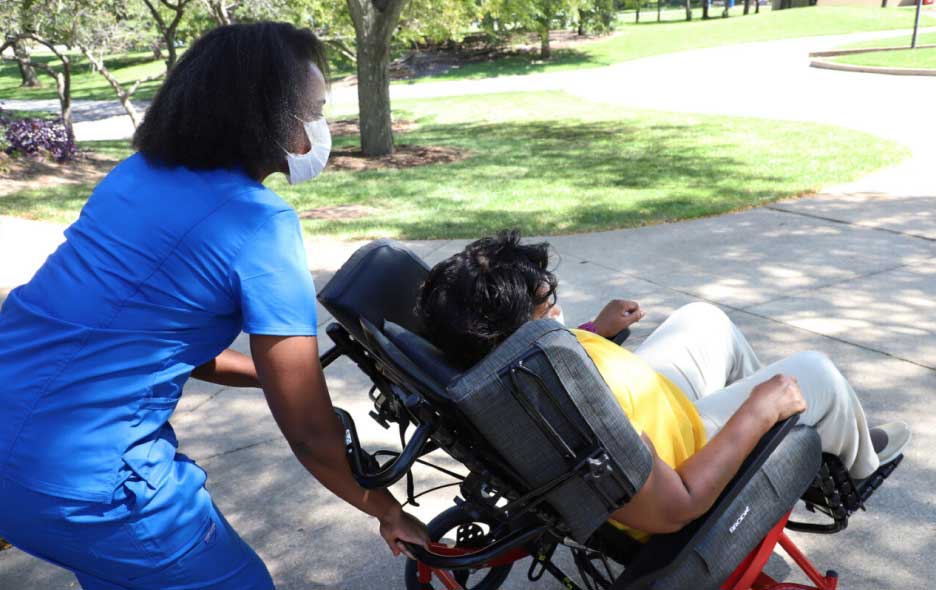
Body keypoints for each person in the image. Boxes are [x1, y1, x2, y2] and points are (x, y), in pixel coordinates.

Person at [0, 22, 426, 590]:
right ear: (263, 114)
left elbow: (145, 335)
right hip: (87, 483)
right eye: (315, 109)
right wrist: (388, 511)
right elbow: (308, 432)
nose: (321, 127)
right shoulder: (259, 221)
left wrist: (270, 377)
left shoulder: (134, 177)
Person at [417, 231, 910, 539]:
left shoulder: (512, 364)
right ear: (521, 330)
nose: (556, 307)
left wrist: (591, 330)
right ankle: (856, 464)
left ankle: (781, 447)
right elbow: (675, 507)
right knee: (814, 373)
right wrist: (758, 410)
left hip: (648, 408)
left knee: (704, 319)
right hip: (682, 463)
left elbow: (551, 352)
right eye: (549, 307)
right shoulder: (576, 416)